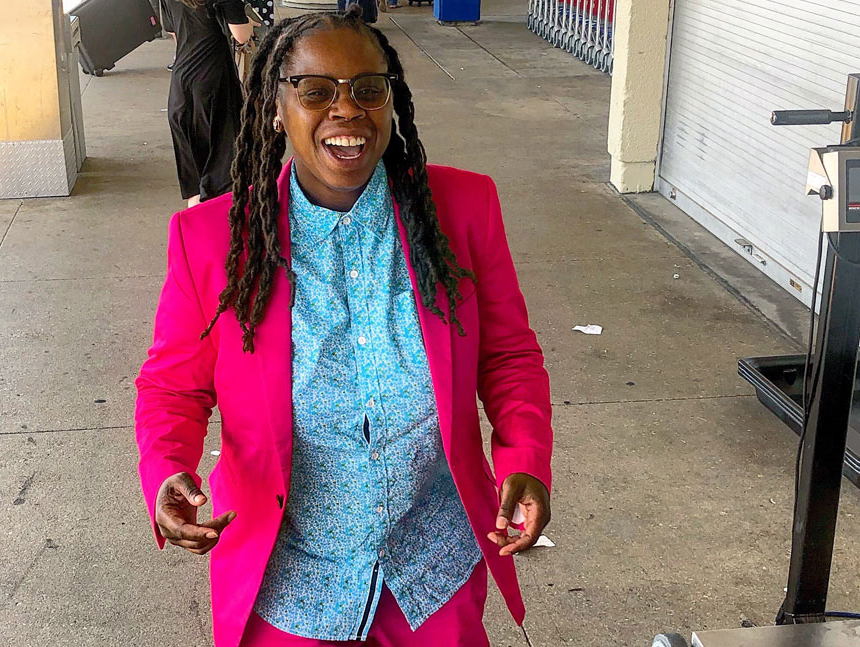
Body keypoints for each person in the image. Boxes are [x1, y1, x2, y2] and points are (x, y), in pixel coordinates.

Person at [135, 8, 553, 647]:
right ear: (277, 107)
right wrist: (168, 469)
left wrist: (525, 458)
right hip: (292, 585)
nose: (346, 110)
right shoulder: (213, 241)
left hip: (432, 573)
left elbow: (509, 356)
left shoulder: (464, 211)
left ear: (390, 101)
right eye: (316, 91)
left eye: (367, 89)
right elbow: (172, 387)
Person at [162, 0, 257, 207]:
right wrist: (248, 23)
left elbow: (175, 34)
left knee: (195, 184)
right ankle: (222, 233)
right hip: (215, 86)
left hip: (181, 87)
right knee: (222, 174)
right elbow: (241, 35)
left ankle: (196, 233)